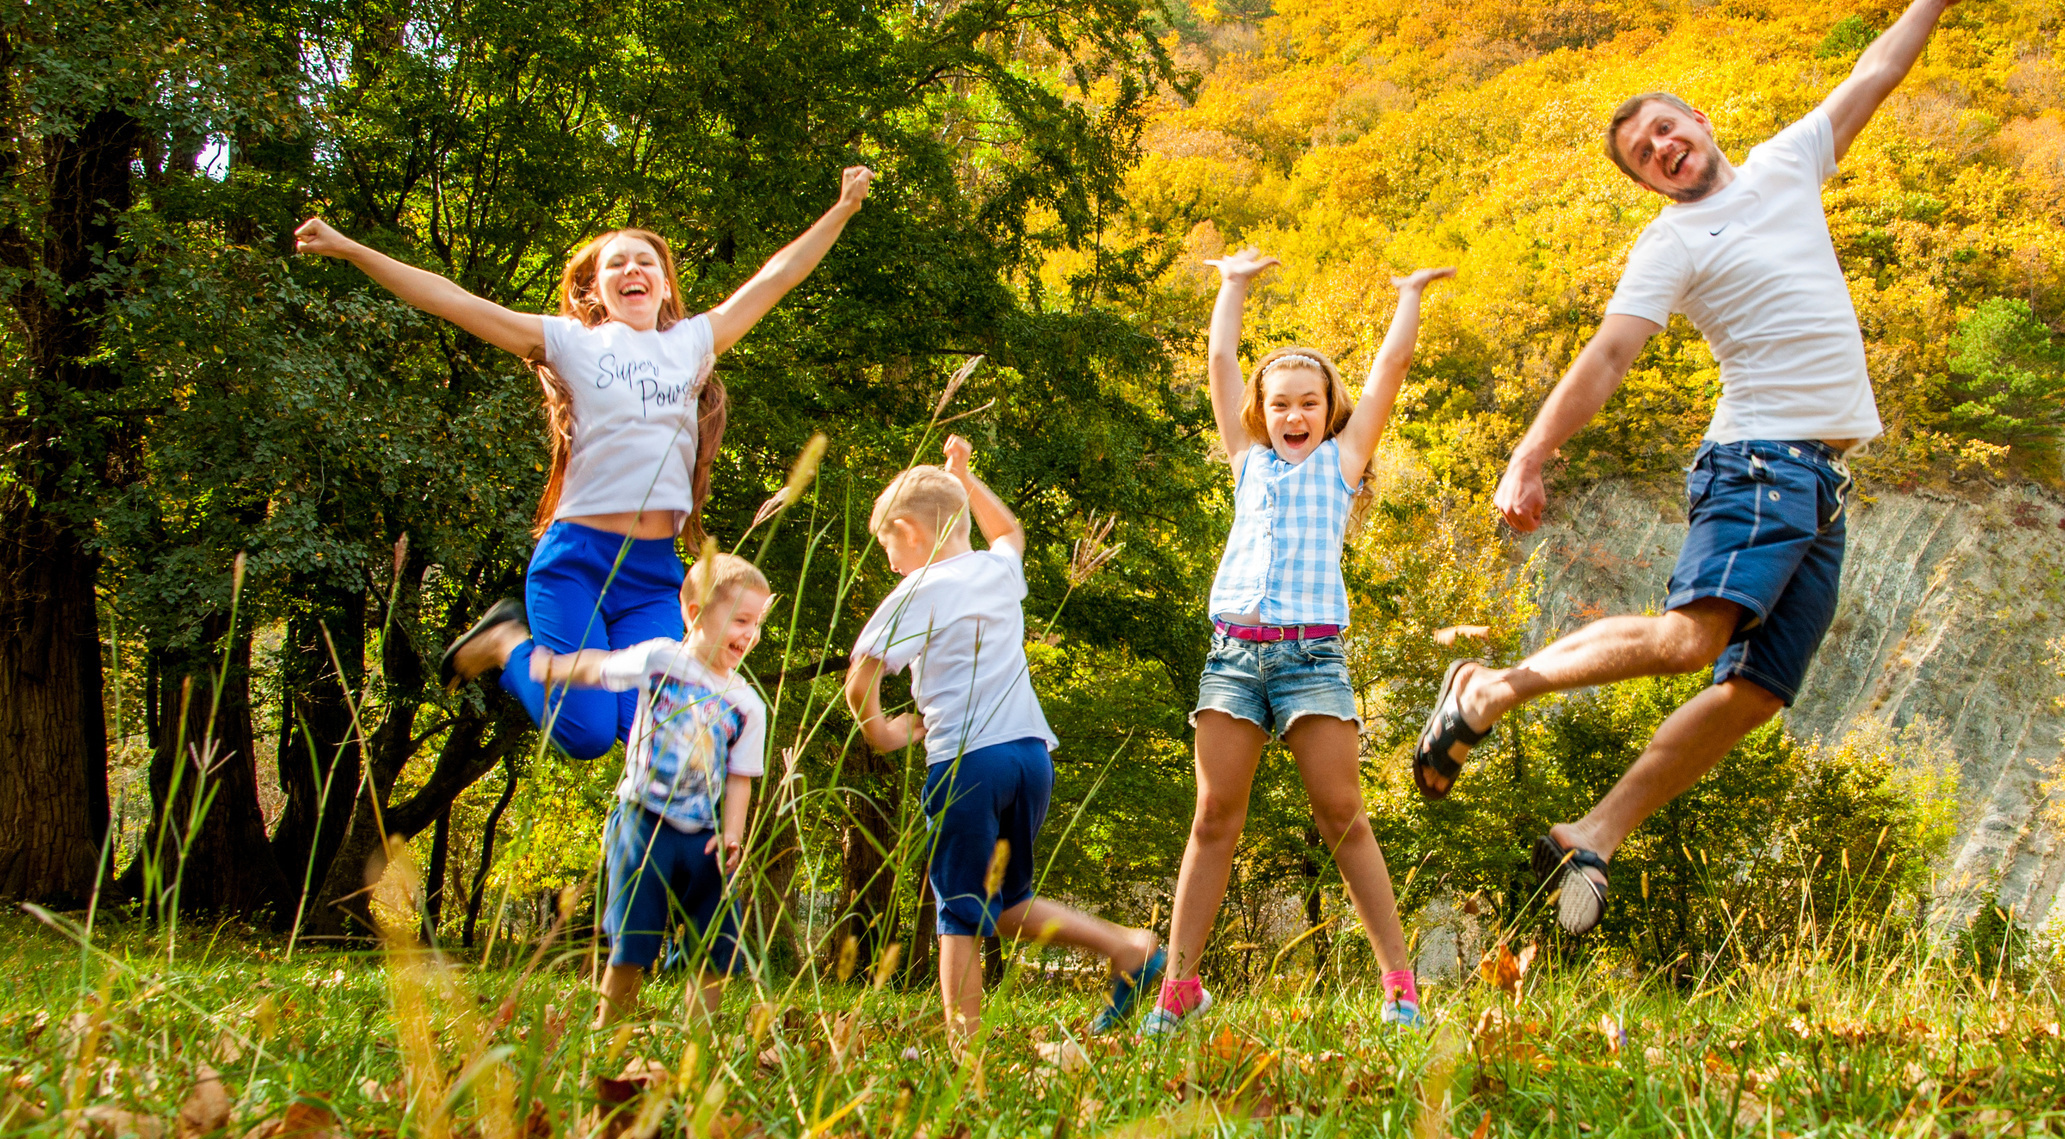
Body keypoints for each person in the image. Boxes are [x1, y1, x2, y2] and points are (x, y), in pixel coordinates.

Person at [1410, 0, 1975, 936]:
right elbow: (1608, 355)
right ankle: (1491, 688)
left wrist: (1927, 0)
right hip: (1760, 459)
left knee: (1755, 693)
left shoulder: (1789, 162)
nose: (1662, 148)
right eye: (1643, 154)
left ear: (1700, 123)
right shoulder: (1672, 243)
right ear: (1644, 182)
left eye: (1666, 130)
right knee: (1684, 642)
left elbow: (1872, 75)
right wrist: (1529, 451)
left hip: (1823, 480)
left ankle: (1593, 828)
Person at [292, 165, 873, 758]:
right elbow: (453, 301)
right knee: (587, 735)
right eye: (616, 263)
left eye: (645, 262)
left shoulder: (694, 342)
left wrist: (843, 207)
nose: (632, 270)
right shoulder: (572, 342)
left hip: (652, 576)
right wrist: (350, 249)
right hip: (577, 563)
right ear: (596, 289)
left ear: (665, 285)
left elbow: (777, 277)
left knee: (645, 727)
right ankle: (506, 641)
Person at [1143, 250, 1456, 1037]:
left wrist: (1409, 293)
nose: (1293, 415)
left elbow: (1392, 365)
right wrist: (1232, 285)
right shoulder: (1245, 465)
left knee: (1342, 811)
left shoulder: (1342, 466)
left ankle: (1399, 987)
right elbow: (1218, 358)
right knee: (1214, 815)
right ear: (1259, 411)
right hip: (1234, 657)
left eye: (1308, 403)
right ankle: (1179, 991)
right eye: (1279, 402)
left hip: (1313, 658)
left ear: (1327, 410)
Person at [845, 436, 1164, 1050]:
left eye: (888, 545)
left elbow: (861, 676)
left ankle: (965, 1054)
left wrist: (882, 731)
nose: (889, 563)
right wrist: (965, 477)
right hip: (1028, 758)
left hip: (969, 764)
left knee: (958, 915)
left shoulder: (916, 590)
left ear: (910, 531)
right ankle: (1127, 948)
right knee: (1006, 905)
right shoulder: (996, 572)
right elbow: (1009, 532)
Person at [525, 551, 774, 1026]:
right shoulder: (662, 659)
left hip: (704, 836)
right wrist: (553, 668)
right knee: (633, 932)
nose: (750, 634)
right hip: (643, 821)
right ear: (695, 612)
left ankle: (699, 1031)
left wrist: (733, 834)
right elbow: (601, 667)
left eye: (757, 622)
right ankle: (612, 1020)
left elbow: (741, 776)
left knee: (715, 934)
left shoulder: (746, 705)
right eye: (741, 619)